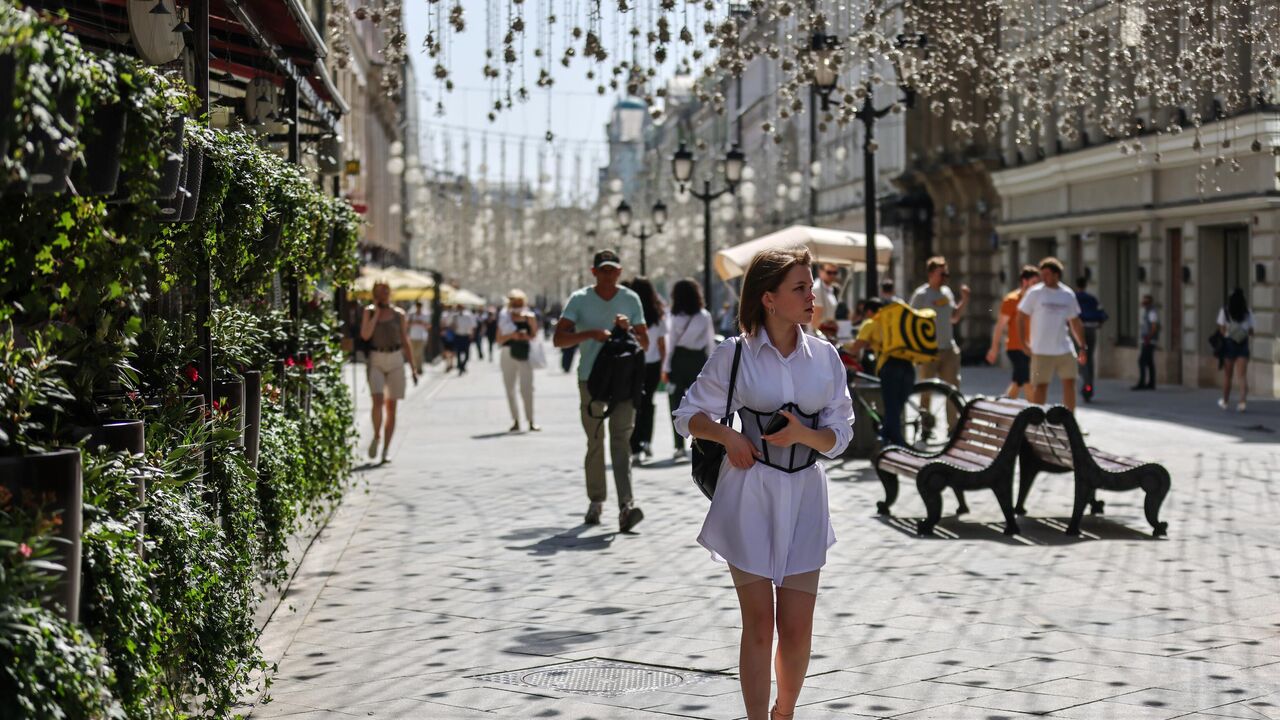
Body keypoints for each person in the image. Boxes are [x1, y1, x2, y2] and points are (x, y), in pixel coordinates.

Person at [673, 246, 854, 720]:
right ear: (769, 298)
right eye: (800, 287)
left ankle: (784, 712)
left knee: (796, 628)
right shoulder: (734, 354)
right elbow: (687, 414)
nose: (812, 295)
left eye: (810, 286)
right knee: (759, 625)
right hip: (749, 495)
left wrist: (803, 435)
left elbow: (841, 435)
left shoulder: (825, 357)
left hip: (806, 497)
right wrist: (727, 434)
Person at [554, 250, 650, 530]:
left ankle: (626, 506)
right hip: (591, 380)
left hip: (623, 380)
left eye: (613, 270)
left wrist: (628, 328)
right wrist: (590, 334)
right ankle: (596, 501)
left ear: (620, 272)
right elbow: (559, 339)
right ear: (594, 272)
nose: (608, 275)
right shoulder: (580, 299)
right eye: (603, 270)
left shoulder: (630, 299)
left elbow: (644, 342)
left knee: (621, 441)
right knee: (595, 442)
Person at [359, 281, 419, 463]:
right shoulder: (368, 311)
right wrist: (376, 313)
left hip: (395, 359)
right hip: (376, 358)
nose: (384, 294)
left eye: (386, 291)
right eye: (380, 292)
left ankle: (386, 449)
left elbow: (405, 339)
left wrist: (413, 367)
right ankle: (377, 436)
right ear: (375, 294)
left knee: (391, 406)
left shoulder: (398, 314)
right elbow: (365, 335)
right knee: (377, 401)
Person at [1018, 258, 1087, 412]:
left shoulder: (1067, 294)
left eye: (1047, 274)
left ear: (1057, 275)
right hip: (1041, 349)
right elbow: (1021, 317)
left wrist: (1082, 346)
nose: (1044, 278)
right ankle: (1036, 422)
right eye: (1042, 274)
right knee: (1041, 386)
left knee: (1070, 383)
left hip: (1064, 348)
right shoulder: (1035, 293)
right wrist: (1023, 343)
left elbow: (1075, 322)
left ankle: (1070, 420)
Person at [846, 298, 916, 447]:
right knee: (895, 410)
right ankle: (887, 440)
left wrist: (842, 347)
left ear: (870, 312)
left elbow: (855, 347)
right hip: (908, 365)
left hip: (890, 367)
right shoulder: (893, 323)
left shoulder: (871, 323)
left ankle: (894, 444)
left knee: (891, 408)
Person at [910, 256, 969, 424]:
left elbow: (954, 318)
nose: (945, 278)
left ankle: (953, 428)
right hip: (928, 351)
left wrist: (964, 300)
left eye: (947, 274)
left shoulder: (947, 292)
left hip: (948, 349)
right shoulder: (921, 295)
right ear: (931, 274)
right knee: (926, 390)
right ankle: (926, 426)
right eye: (941, 274)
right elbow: (911, 321)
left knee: (952, 390)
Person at [663, 278, 716, 461]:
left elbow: (669, 344)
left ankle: (678, 446)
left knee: (675, 403)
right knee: (701, 403)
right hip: (698, 360)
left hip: (678, 361)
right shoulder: (704, 315)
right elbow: (710, 343)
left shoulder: (673, 316)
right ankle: (702, 440)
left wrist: (666, 367)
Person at [623, 277, 667, 463]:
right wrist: (663, 365)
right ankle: (646, 441)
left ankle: (634, 445)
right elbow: (661, 344)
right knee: (648, 402)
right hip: (653, 363)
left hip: (633, 362)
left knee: (634, 403)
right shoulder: (657, 315)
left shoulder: (629, 313)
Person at [986, 265, 1040, 399]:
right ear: (1024, 281)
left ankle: (1002, 408)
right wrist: (994, 348)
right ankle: (1036, 415)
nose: (1037, 287)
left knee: (1018, 382)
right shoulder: (1011, 300)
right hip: (1016, 348)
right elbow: (1000, 326)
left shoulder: (1036, 300)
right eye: (1034, 283)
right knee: (1027, 381)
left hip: (1031, 348)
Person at [497, 290, 540, 432]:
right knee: (510, 388)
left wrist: (524, 336)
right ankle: (515, 420)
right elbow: (499, 339)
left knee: (527, 388)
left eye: (519, 302)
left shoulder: (529, 317)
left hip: (524, 353)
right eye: (513, 302)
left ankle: (531, 420)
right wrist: (512, 335)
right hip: (507, 353)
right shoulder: (504, 317)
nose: (516, 304)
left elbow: (534, 336)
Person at [1217, 288, 1254, 411]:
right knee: (1242, 376)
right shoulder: (1247, 312)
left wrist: (1230, 332)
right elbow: (1251, 331)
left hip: (1229, 343)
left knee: (1228, 375)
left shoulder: (1225, 310)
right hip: (1242, 343)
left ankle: (1225, 401)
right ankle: (1242, 402)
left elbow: (1221, 329)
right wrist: (1242, 332)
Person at [1075, 276, 1108, 401]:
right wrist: (1098, 324)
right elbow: (1102, 314)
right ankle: (1089, 386)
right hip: (1091, 330)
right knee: (1089, 358)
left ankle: (1086, 384)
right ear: (1085, 285)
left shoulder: (1073, 298)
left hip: (1078, 330)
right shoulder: (1092, 299)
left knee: (1081, 357)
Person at [1134, 294, 1159, 391]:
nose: (1143, 303)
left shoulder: (1152, 312)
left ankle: (1142, 383)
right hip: (1148, 340)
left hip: (1149, 341)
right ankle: (1151, 383)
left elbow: (1154, 326)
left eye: (1146, 302)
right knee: (1149, 362)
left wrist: (1149, 337)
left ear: (1149, 303)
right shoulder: (1148, 311)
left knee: (1141, 361)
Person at [811, 262, 840, 337]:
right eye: (829, 272)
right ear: (821, 272)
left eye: (835, 273)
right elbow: (815, 316)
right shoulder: (817, 288)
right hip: (817, 333)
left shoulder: (830, 289)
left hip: (827, 333)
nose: (832, 275)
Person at [451, 304, 477, 374]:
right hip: (458, 336)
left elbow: (472, 326)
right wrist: (453, 326)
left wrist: (472, 335)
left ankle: (462, 365)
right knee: (458, 352)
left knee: (467, 354)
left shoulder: (468, 316)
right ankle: (460, 366)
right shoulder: (455, 316)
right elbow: (452, 326)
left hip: (466, 336)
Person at [407, 301, 431, 375]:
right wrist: (414, 322)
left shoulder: (424, 315)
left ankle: (419, 368)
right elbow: (407, 324)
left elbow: (428, 326)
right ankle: (415, 367)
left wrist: (422, 323)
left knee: (419, 353)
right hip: (413, 336)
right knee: (413, 353)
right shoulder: (411, 315)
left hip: (421, 336)